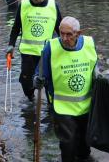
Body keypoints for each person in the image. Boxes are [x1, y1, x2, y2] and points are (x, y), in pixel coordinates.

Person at [33, 16, 98, 162]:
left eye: (69, 34)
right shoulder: (51, 47)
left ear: (78, 33)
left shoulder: (89, 44)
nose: (64, 37)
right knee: (67, 144)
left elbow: (95, 71)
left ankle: (84, 157)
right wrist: (37, 80)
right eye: (61, 33)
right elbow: (39, 72)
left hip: (86, 106)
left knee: (84, 144)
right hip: (62, 107)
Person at [6, 0, 62, 102]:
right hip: (28, 53)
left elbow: (60, 29)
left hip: (46, 53)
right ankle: (30, 98)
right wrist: (11, 45)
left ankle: (50, 104)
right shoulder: (24, 5)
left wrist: (65, 48)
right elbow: (16, 28)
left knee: (46, 80)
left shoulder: (53, 6)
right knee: (26, 81)